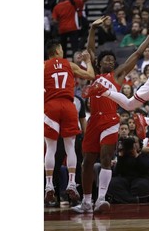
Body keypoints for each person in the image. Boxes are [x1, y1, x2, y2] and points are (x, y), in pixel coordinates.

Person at [71, 17, 149, 214]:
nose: (111, 61)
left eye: (112, 60)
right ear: (99, 63)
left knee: (105, 158)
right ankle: (87, 201)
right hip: (94, 119)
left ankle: (102, 199)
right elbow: (90, 51)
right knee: (87, 161)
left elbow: (138, 53)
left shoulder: (118, 75)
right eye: (107, 59)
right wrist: (92, 29)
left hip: (111, 120)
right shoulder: (94, 74)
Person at [44, 39, 95, 205]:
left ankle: (49, 185)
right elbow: (90, 75)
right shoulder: (69, 64)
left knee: (50, 148)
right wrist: (87, 61)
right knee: (70, 147)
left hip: (50, 106)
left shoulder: (43, 65)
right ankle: (72, 182)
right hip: (68, 105)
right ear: (58, 50)